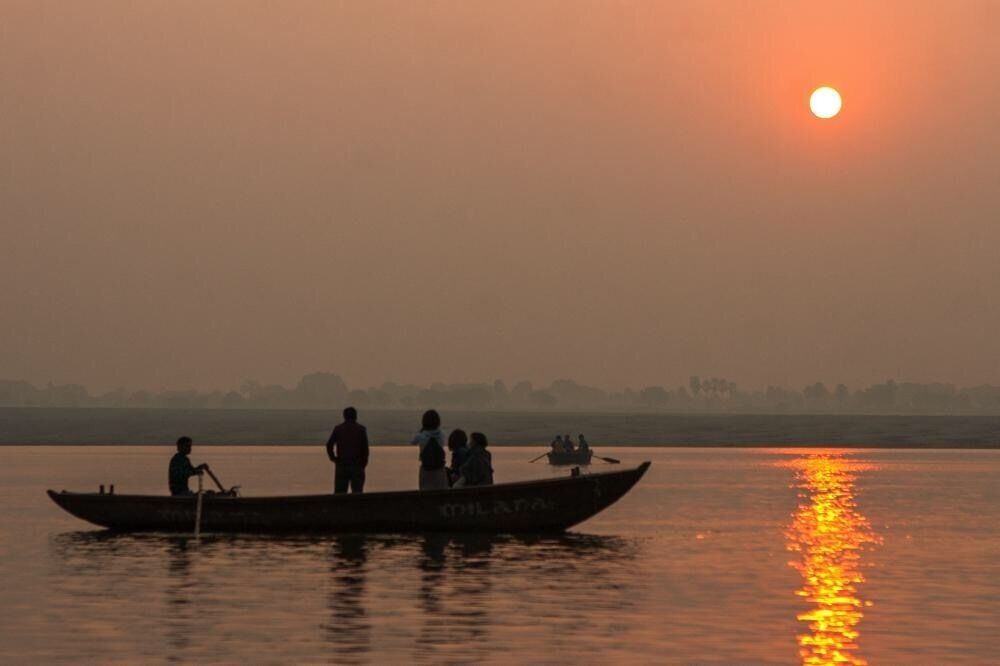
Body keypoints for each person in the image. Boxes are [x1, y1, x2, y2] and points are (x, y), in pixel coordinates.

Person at [326, 406, 370, 494]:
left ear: (344, 416)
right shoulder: (361, 429)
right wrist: (363, 463)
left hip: (342, 465)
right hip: (357, 465)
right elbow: (365, 449)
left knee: (340, 494)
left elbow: (329, 445)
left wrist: (334, 458)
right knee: (357, 493)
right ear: (355, 416)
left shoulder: (338, 429)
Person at [412, 409, 448, 490]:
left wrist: (421, 431)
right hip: (440, 469)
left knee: (425, 493)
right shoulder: (442, 434)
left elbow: (412, 442)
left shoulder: (421, 436)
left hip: (426, 469)